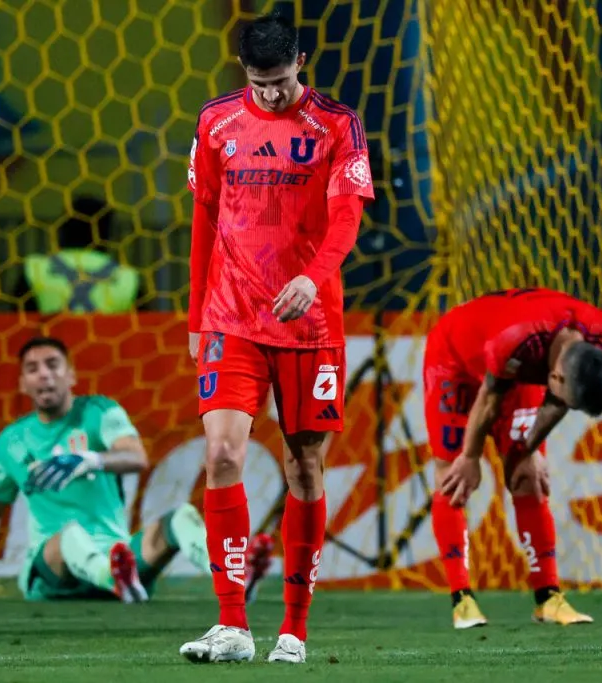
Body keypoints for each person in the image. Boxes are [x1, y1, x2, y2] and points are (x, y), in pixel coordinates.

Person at [180, 12, 375, 664]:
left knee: (304, 465)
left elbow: (347, 219)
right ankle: (232, 624)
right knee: (224, 456)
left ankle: (294, 626)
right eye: (258, 83)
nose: (269, 94)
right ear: (244, 71)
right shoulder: (216, 122)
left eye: (281, 81)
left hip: (309, 324)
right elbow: (204, 214)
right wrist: (194, 318)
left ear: (301, 62)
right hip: (231, 316)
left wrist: (316, 280)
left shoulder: (337, 127)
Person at [0, 336, 271, 603]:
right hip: (52, 574)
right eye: (33, 368)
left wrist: (88, 459)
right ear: (23, 385)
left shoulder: (97, 412)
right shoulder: (11, 442)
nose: (44, 373)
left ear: (71, 375)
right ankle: (116, 580)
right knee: (71, 535)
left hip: (118, 556)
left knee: (181, 517)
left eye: (53, 364)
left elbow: (136, 456)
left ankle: (231, 581)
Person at [423, 287, 602, 628]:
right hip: (454, 360)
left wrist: (528, 451)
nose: (565, 409)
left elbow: (558, 402)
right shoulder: (516, 341)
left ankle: (548, 598)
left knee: (528, 476)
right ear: (554, 377)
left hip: (519, 370)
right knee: (453, 475)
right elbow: (489, 400)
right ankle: (462, 599)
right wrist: (470, 457)